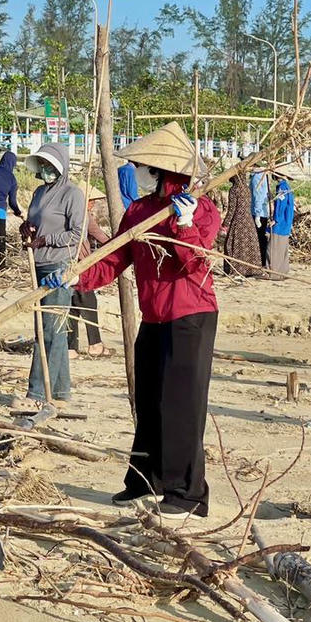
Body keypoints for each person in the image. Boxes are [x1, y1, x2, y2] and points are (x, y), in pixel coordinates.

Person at [71, 122, 221, 521]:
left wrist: (184, 224)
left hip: (191, 315)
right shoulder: (138, 211)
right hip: (154, 316)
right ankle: (145, 480)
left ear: (159, 170)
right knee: (150, 398)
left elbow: (195, 263)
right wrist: (78, 276)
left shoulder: (201, 208)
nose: (135, 172)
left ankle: (186, 493)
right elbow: (116, 258)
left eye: (140, 167)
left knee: (181, 404)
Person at [21, 142, 84, 404]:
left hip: (59, 267)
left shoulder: (73, 194)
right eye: (42, 165)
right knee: (48, 328)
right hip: (38, 265)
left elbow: (77, 234)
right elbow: (34, 222)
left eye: (49, 165)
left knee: (50, 330)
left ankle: (37, 392)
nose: (45, 169)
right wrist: (27, 229)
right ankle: (60, 391)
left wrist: (47, 240)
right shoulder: (39, 192)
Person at [68, 185, 112, 359]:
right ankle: (95, 345)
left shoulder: (67, 211)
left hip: (66, 263)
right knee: (88, 303)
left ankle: (70, 348)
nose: (92, 205)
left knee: (71, 305)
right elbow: (100, 236)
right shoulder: (83, 215)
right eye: (91, 201)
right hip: (80, 264)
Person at [222, 173, 263, 277]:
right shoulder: (247, 188)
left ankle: (236, 269)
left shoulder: (234, 189)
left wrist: (225, 223)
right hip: (248, 221)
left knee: (233, 245)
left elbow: (232, 209)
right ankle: (251, 269)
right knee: (248, 244)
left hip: (238, 221)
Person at [269, 167, 296, 278]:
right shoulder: (286, 187)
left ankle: (274, 273)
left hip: (281, 223)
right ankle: (282, 272)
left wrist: (276, 219)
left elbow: (281, 205)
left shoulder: (282, 188)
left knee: (274, 249)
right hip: (286, 222)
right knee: (282, 249)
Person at [250, 169, 271, 268]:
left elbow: (257, 195)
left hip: (258, 212)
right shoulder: (263, 175)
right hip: (263, 211)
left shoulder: (257, 177)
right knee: (262, 238)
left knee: (258, 239)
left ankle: (260, 263)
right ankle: (262, 262)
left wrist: (257, 214)